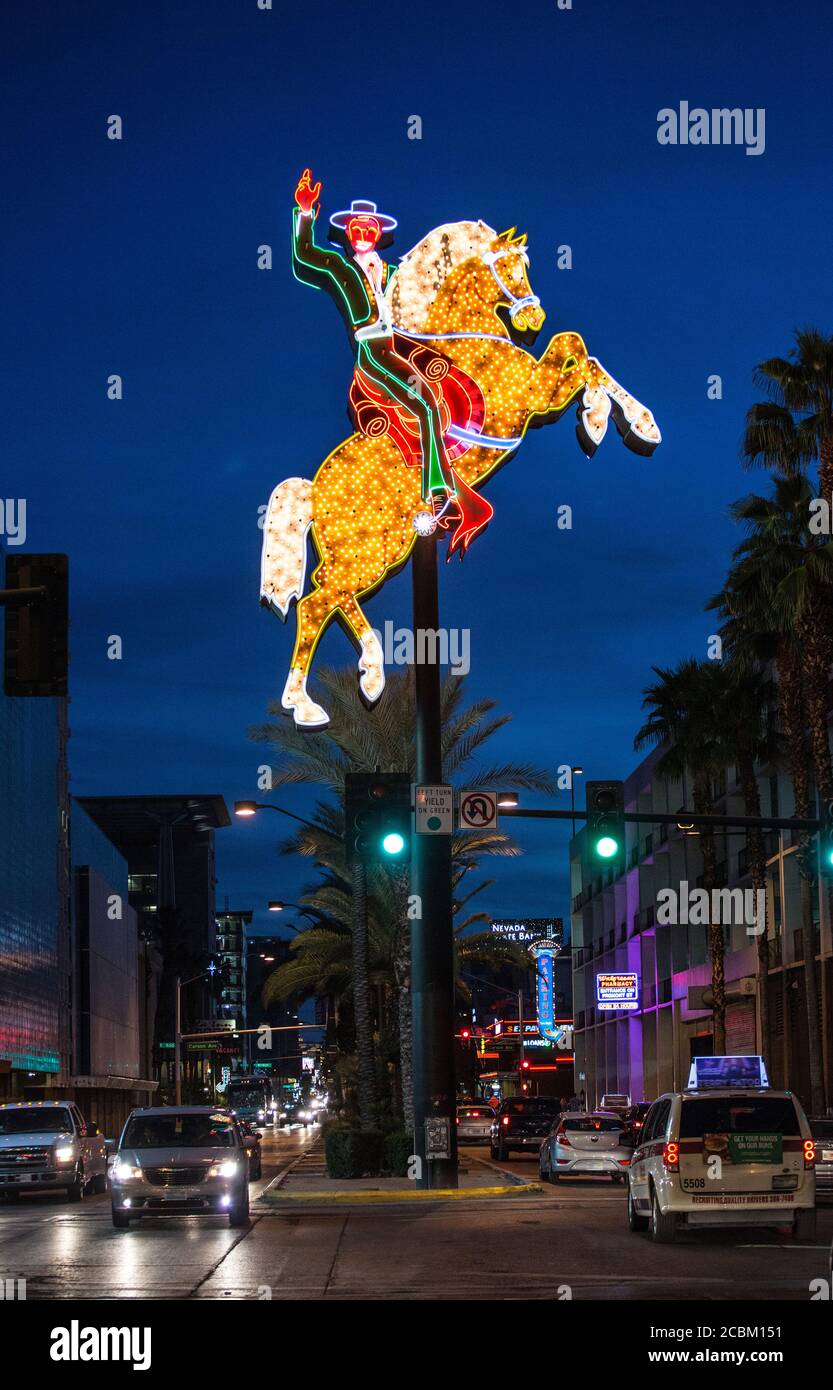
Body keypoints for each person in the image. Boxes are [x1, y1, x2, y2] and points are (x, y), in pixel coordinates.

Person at [291, 168, 456, 517]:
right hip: (373, 350)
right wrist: (305, 214)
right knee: (426, 404)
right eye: (357, 228)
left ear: (379, 233)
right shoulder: (338, 267)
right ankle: (438, 490)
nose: (364, 234)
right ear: (348, 233)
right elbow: (304, 256)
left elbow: (426, 299)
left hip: (401, 346)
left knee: (446, 381)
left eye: (370, 228)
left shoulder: (395, 273)